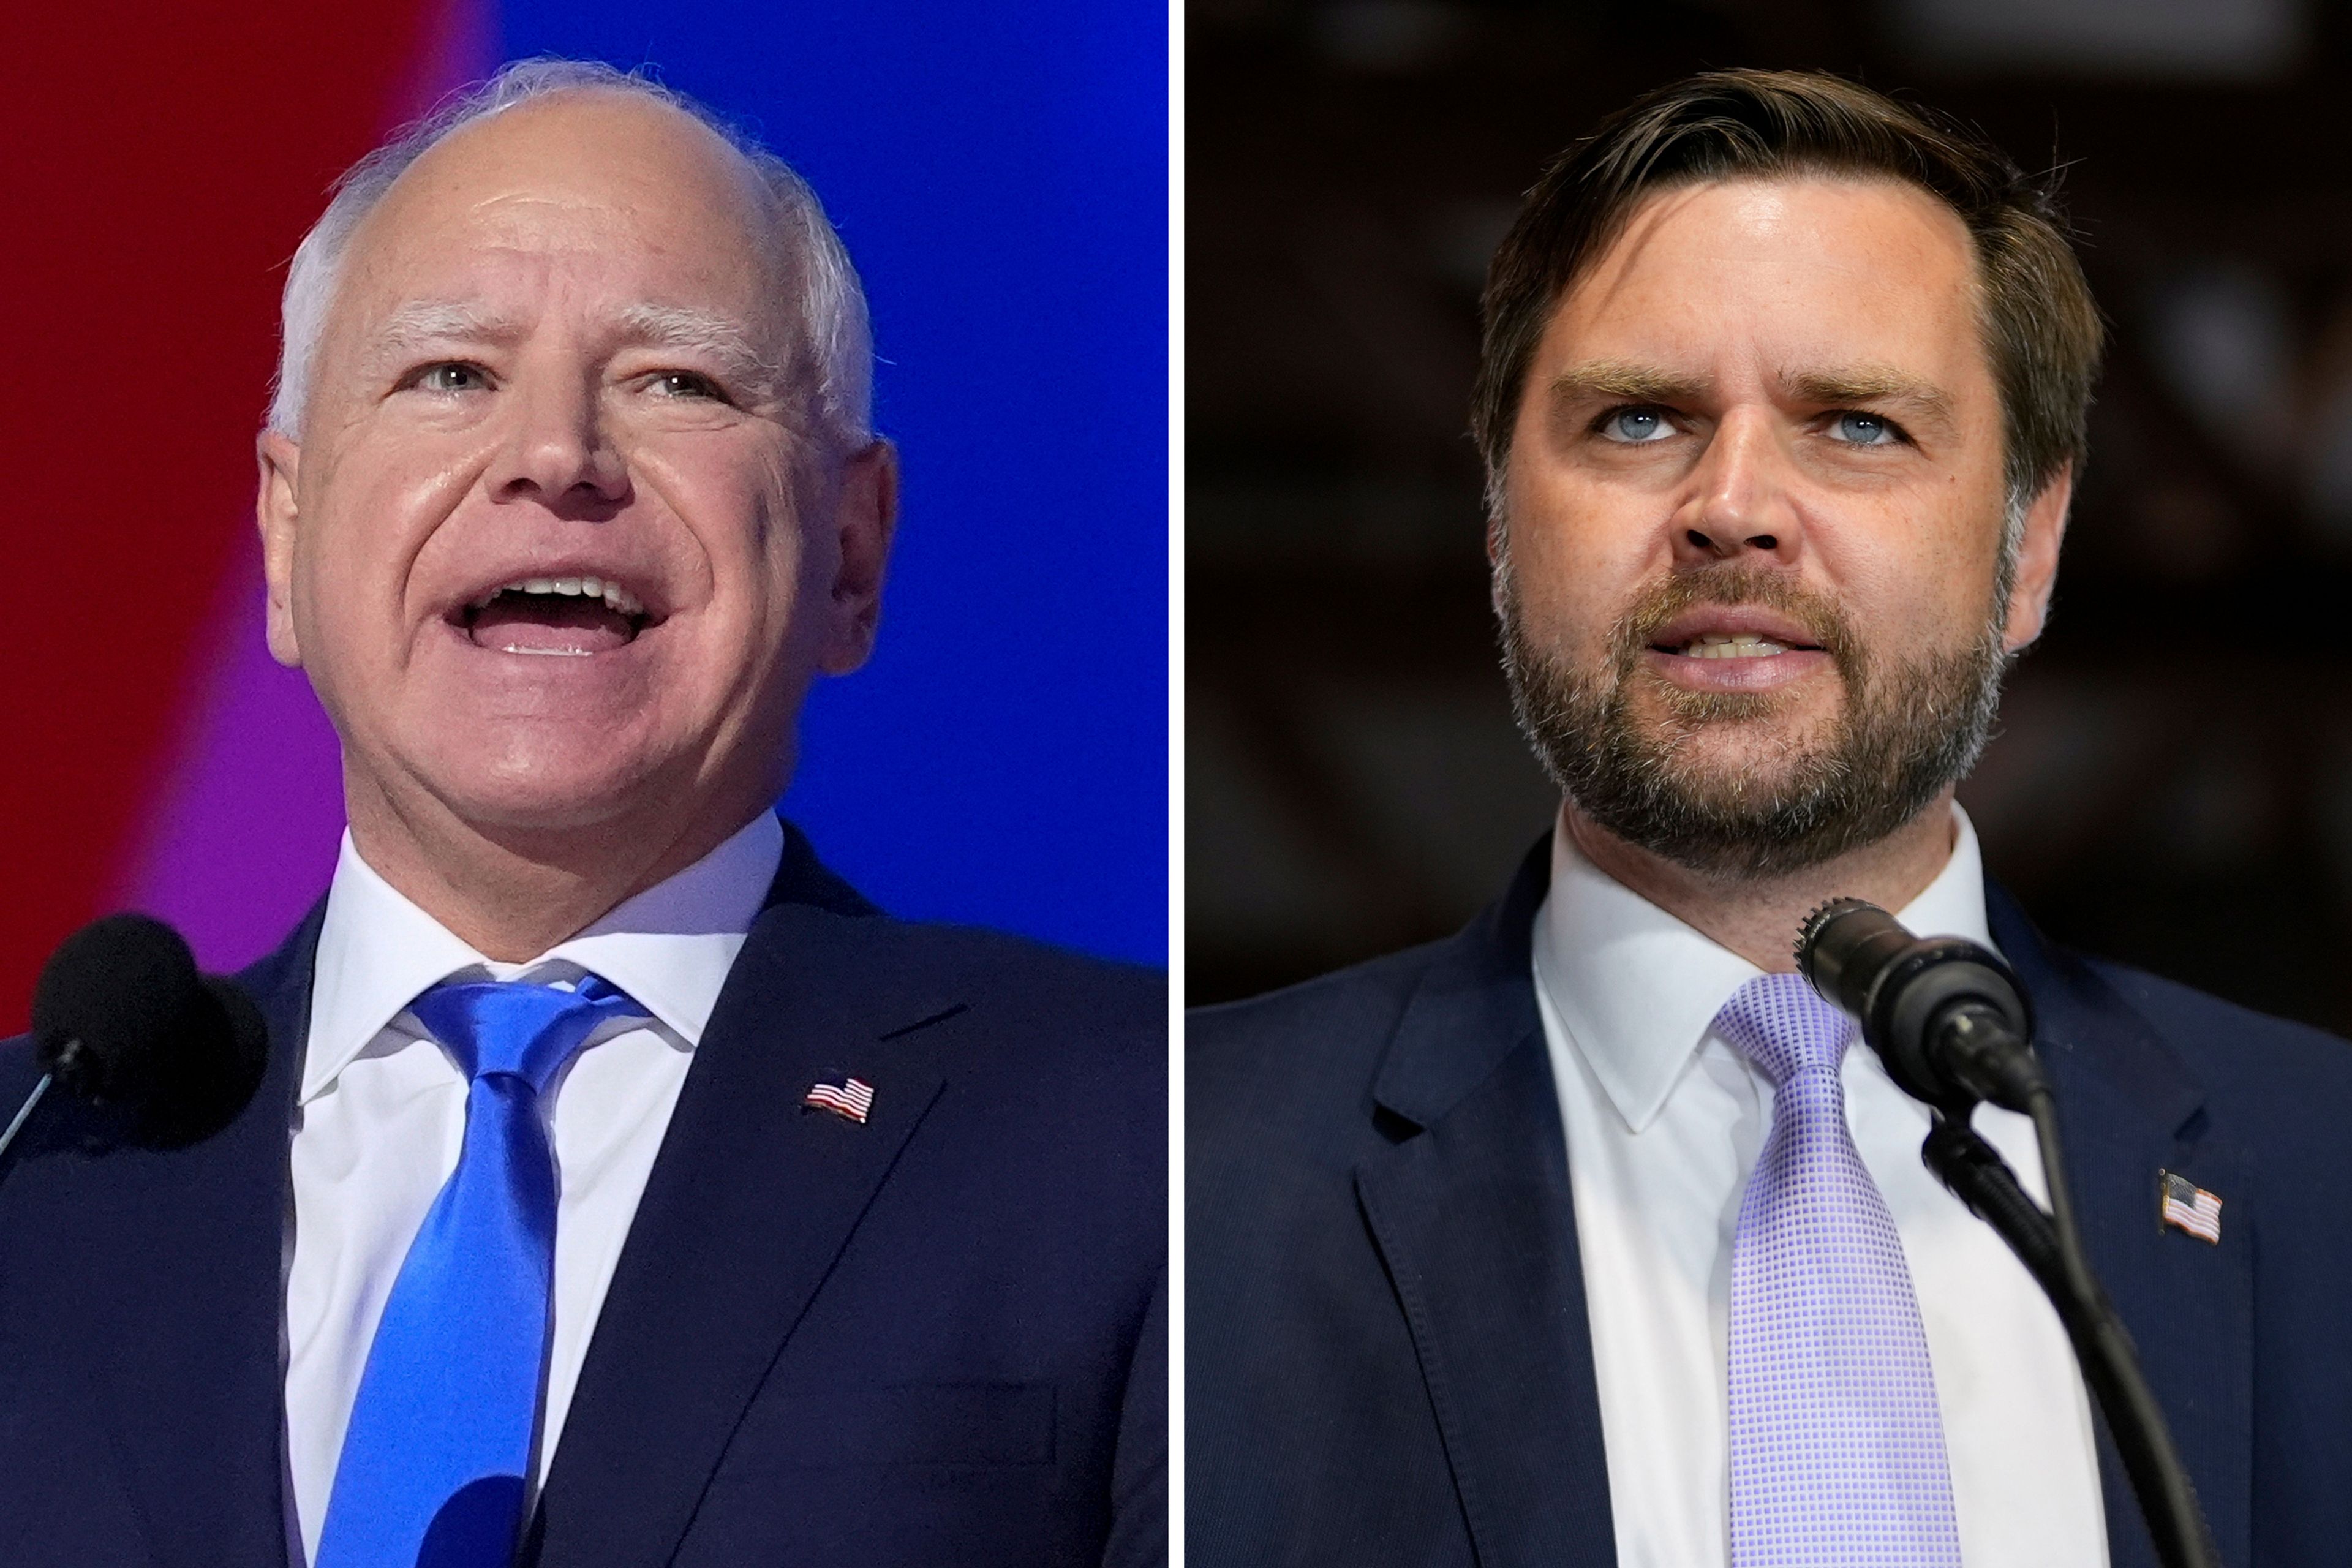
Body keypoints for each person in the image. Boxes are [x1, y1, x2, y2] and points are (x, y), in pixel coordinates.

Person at [0, 61, 1164, 1568]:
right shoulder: (37, 1166)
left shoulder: (1135, 1134)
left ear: (853, 552)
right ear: (287, 534)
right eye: (451, 376)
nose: (557, 455)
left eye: (677, 380)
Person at [1189, 69, 2352, 1568]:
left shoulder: (2323, 1176)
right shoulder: (1175, 1183)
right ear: (1498, 527)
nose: (1732, 503)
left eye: (1858, 425)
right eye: (1636, 418)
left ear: (2032, 545)